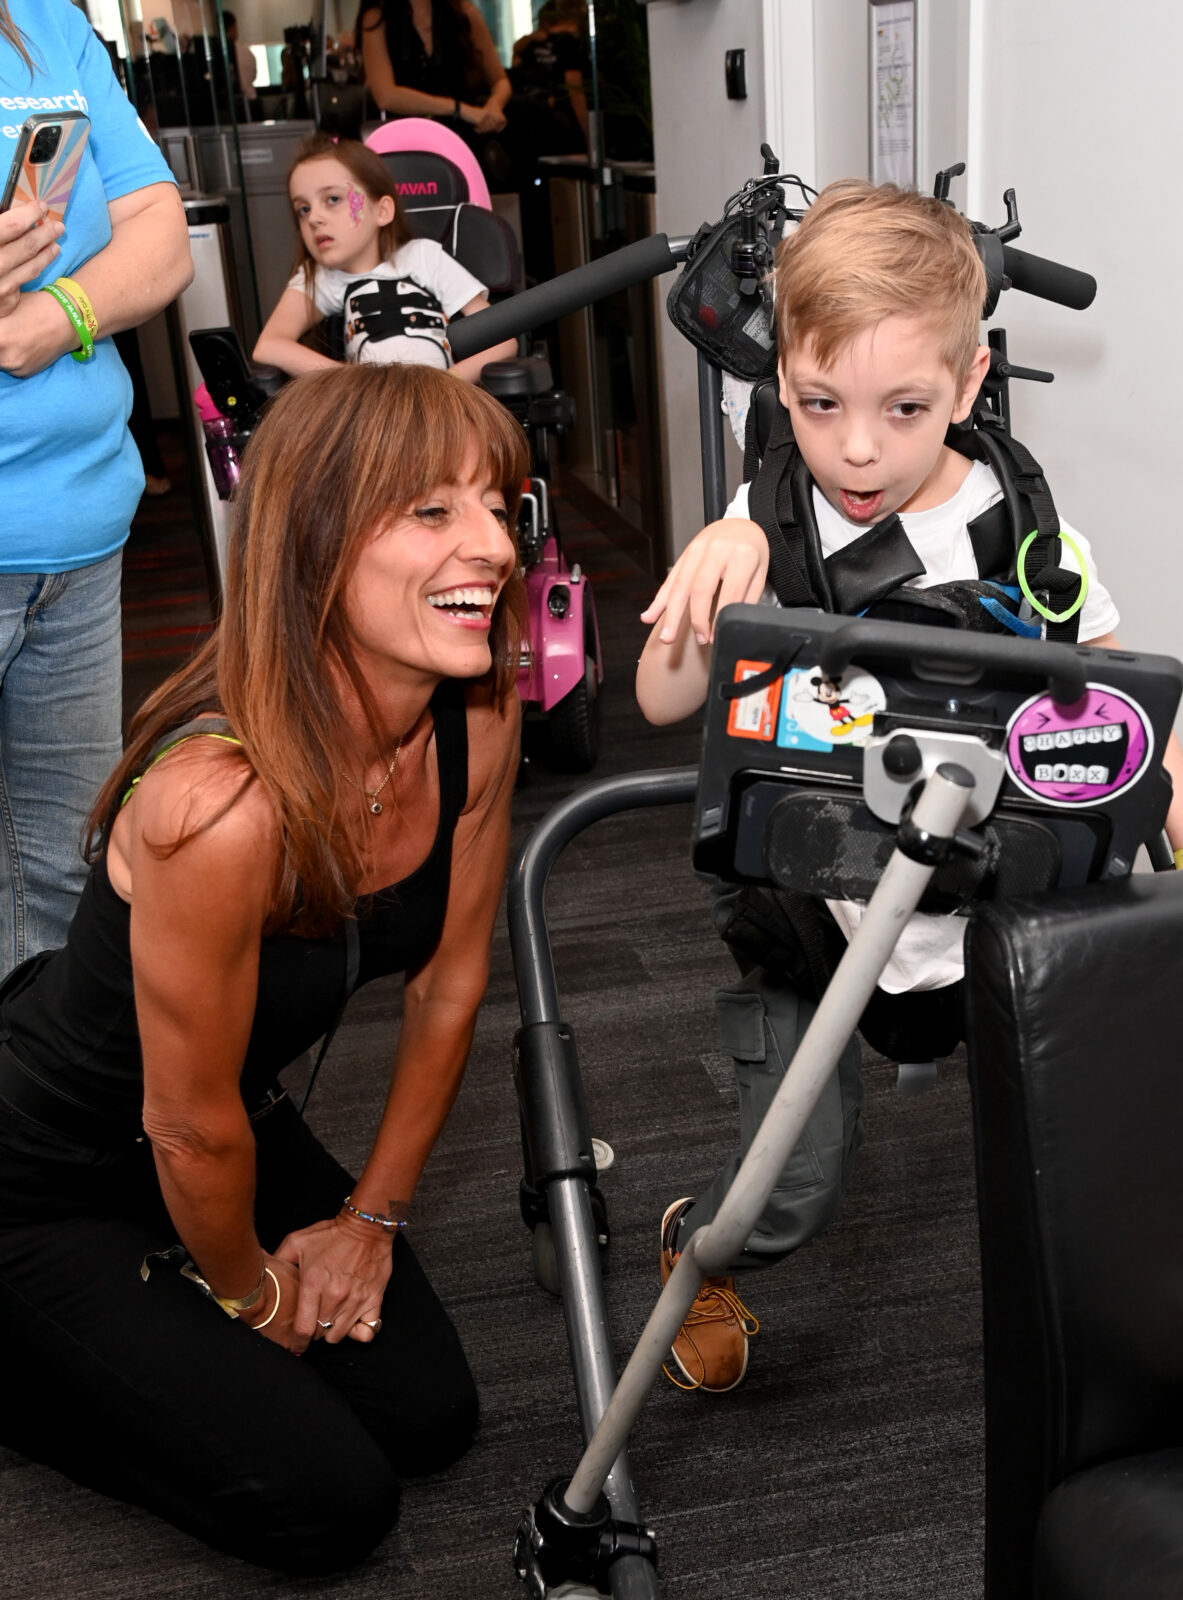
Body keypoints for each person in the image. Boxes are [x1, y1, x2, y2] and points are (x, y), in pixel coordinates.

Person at [635, 179, 1183, 1395]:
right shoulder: (766, 518)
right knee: (791, 1185)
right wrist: (720, 559)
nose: (857, 448)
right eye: (819, 404)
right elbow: (660, 702)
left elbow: (1120, 709)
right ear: (780, 382)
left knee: (1086, 1137)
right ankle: (702, 1252)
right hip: (817, 904)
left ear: (969, 383)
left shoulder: (1028, 532)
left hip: (986, 893)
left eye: (904, 408)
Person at [0, 361, 526, 1571]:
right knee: (328, 1504)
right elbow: (183, 1127)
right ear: (318, 543)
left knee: (429, 1416)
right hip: (45, 1173)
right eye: (433, 510)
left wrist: (370, 1218)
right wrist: (252, 1298)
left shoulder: (477, 717)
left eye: (498, 506)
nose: (494, 545)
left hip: (221, 1119)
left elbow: (448, 986)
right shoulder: (218, 802)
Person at [0, 0, 192, 980]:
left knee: (63, 879)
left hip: (78, 532)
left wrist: (58, 316)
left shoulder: (49, 24)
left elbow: (161, 238)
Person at [253, 132, 516, 379]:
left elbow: (503, 340)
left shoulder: (424, 257)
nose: (314, 218)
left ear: (382, 211)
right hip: (372, 406)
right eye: (303, 209)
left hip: (442, 398)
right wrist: (354, 384)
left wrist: (446, 385)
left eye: (332, 199)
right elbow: (269, 345)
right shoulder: (322, 279)